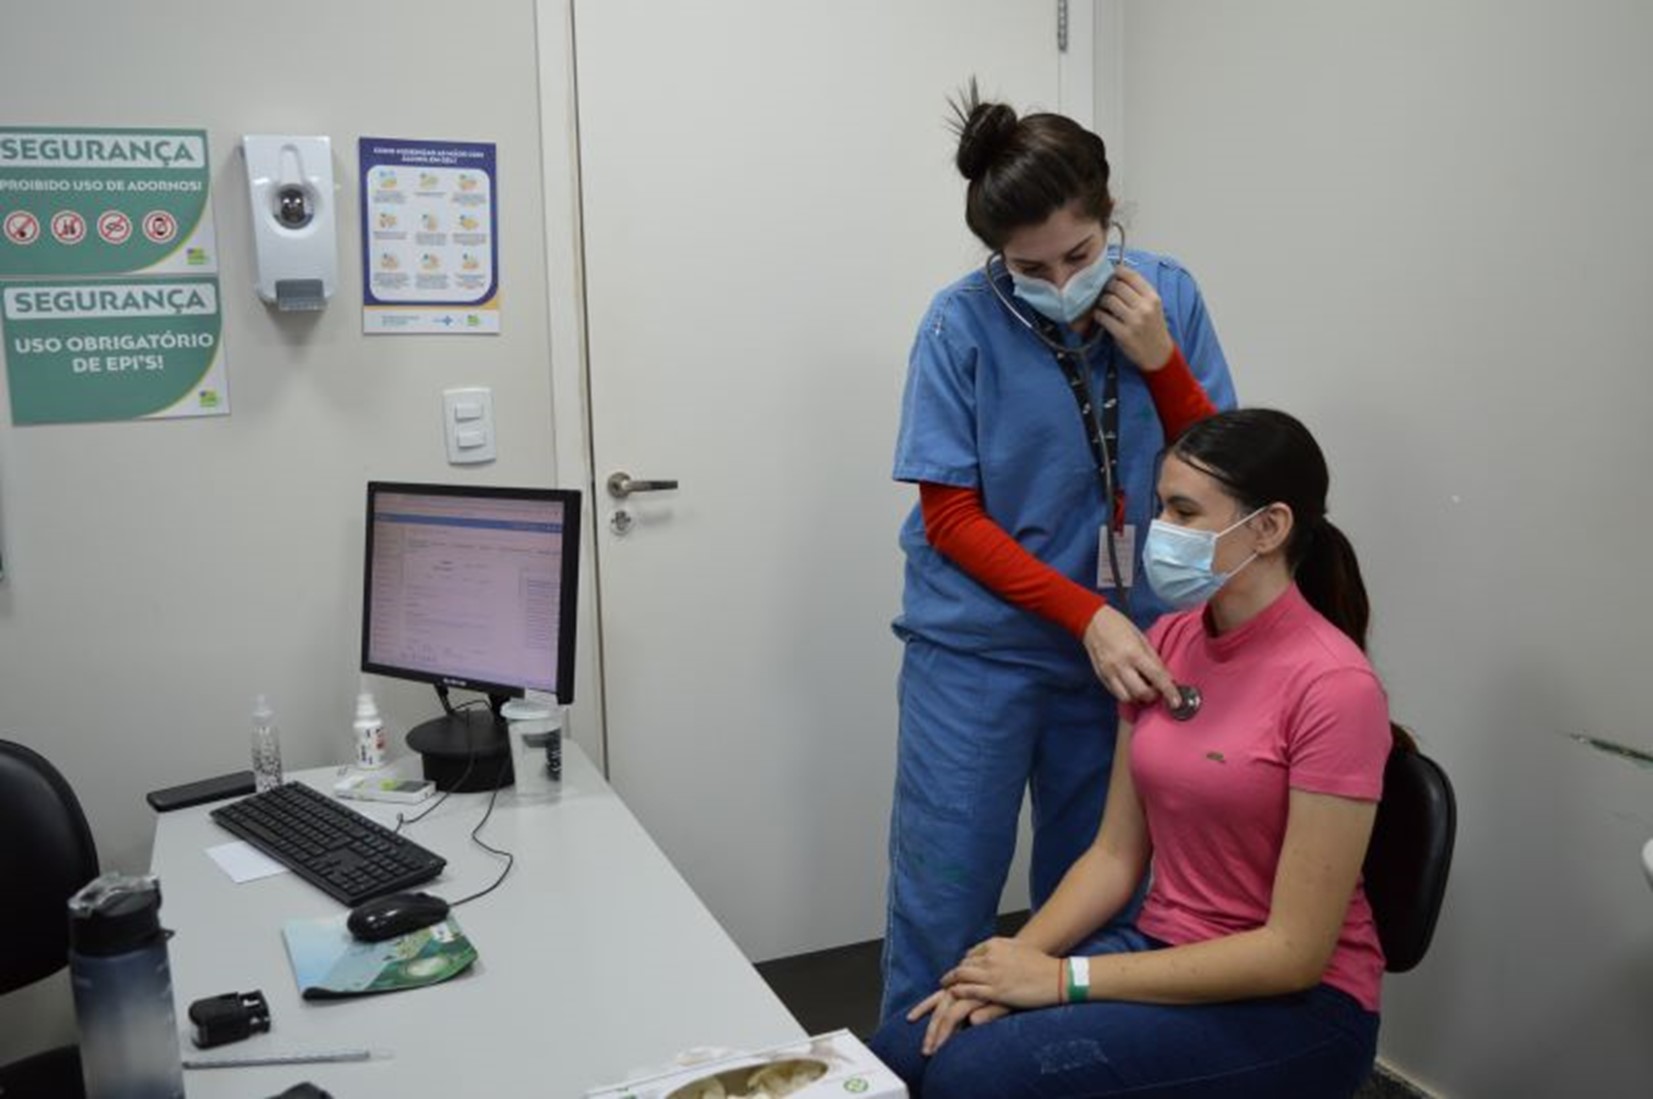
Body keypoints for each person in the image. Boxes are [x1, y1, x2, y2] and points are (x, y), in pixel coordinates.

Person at [871, 408, 1395, 1099]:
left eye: (1183, 511)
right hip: (1164, 951)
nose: (1159, 532)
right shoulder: (1171, 641)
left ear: (1268, 527)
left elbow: (1292, 954)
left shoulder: (1334, 686)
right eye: (1159, 508)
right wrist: (1018, 958)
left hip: (1297, 1009)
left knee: (974, 1078)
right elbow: (1115, 856)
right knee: (902, 1049)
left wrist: (1061, 978)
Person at [883, 83, 1237, 1024]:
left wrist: (1160, 358)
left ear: (1107, 213)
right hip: (981, 651)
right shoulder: (959, 323)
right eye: (1025, 264)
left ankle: (1046, 1077)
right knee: (943, 896)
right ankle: (909, 1079)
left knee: (1094, 903)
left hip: (1128, 652)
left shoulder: (1171, 294)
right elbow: (952, 517)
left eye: (1075, 254)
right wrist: (1086, 613)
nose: (1055, 281)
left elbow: (1219, 472)